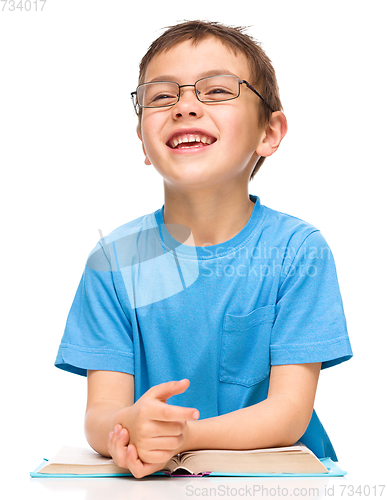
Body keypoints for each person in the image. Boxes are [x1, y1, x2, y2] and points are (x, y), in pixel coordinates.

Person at [55, 20, 353, 479]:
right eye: (161, 96)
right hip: (152, 485)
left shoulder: (298, 251)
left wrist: (182, 436)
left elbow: (288, 413)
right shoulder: (114, 262)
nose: (184, 106)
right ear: (143, 142)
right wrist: (126, 426)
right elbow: (100, 416)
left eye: (216, 91)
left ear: (269, 133)